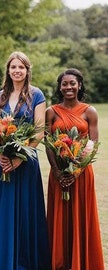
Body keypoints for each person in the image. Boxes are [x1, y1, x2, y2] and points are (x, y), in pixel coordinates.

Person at [0, 51, 51, 270]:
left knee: (27, 210)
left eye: (21, 67)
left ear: (27, 71)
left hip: (26, 161)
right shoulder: (1, 96)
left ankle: (27, 260)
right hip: (3, 161)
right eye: (13, 67)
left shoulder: (36, 95)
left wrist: (19, 158)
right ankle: (6, 259)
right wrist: (3, 154)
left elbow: (38, 131)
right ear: (8, 70)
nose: (17, 71)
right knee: (5, 209)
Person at [46, 68, 104, 270]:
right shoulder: (51, 112)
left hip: (81, 173)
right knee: (60, 217)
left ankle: (81, 262)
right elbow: (48, 143)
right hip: (58, 174)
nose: (68, 87)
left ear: (79, 85)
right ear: (60, 87)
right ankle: (61, 263)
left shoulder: (90, 112)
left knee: (81, 216)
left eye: (72, 83)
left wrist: (76, 170)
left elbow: (93, 144)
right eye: (64, 84)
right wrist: (57, 171)